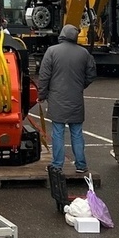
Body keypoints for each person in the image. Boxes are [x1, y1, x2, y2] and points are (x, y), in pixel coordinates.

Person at [37, 24, 97, 173]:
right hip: (76, 99)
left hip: (57, 99)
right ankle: (81, 165)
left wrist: (42, 95)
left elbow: (44, 76)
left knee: (57, 132)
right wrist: (80, 86)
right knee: (77, 133)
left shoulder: (52, 51)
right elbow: (91, 74)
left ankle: (57, 165)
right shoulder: (84, 53)